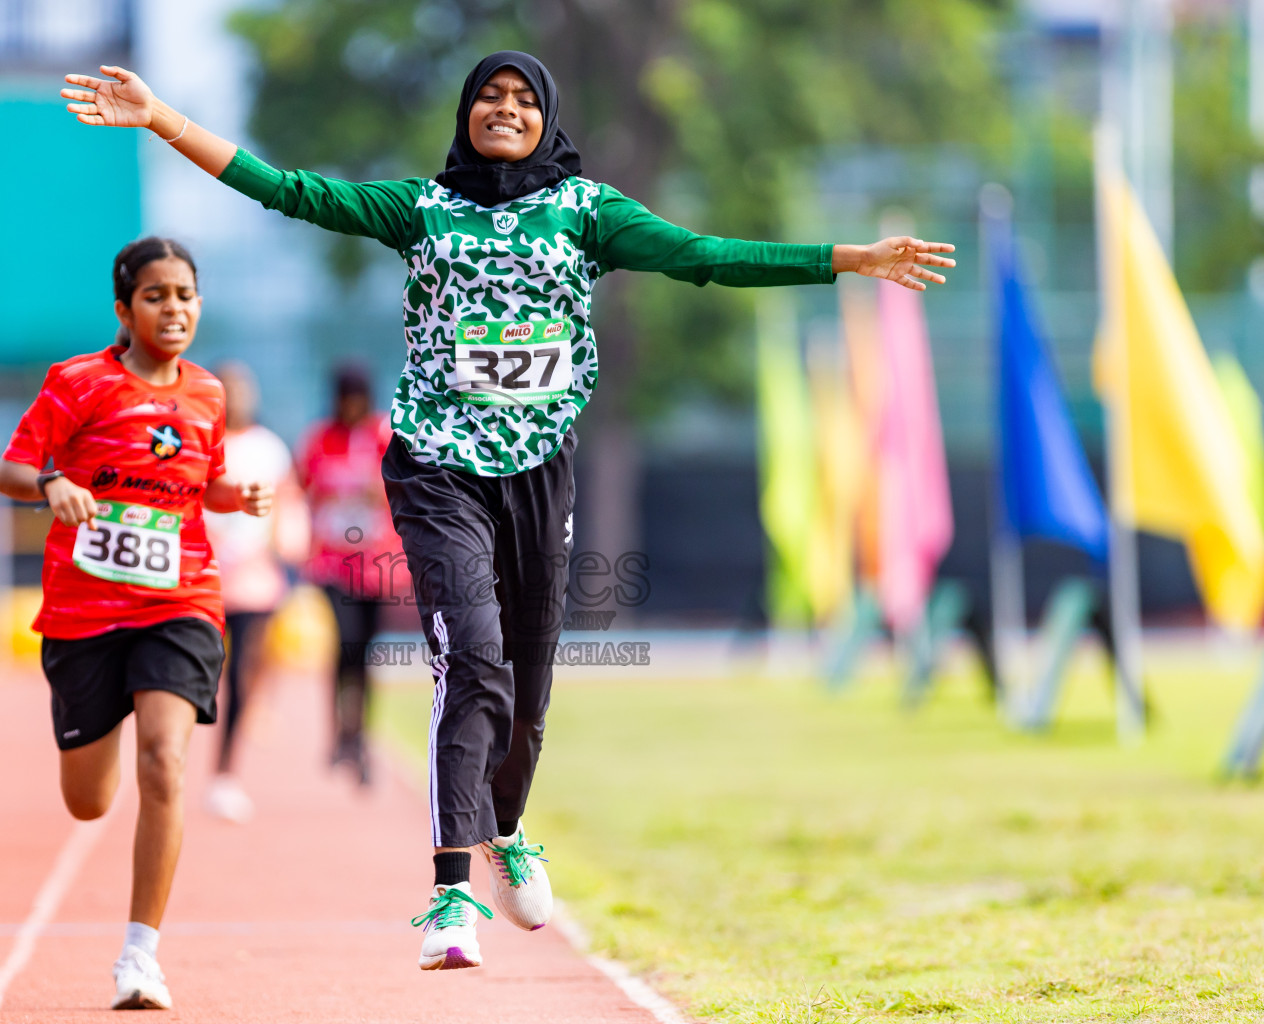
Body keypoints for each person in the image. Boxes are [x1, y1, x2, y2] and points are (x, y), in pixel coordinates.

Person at [60, 51, 955, 972]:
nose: (505, 108)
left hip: (538, 471)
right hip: (438, 467)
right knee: (472, 657)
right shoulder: (421, 209)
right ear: (465, 113)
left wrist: (850, 260)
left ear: (548, 120)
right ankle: (451, 894)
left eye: (524, 99)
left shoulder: (585, 212)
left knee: (526, 693)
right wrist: (162, 117)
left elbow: (704, 257)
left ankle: (510, 827)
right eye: (489, 95)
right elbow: (289, 190)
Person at [0, 237, 273, 1009]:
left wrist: (234, 499)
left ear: (199, 305)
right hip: (83, 611)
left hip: (178, 603)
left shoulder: (209, 395)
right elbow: (9, 469)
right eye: (156, 296)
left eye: (184, 294)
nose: (173, 309)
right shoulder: (78, 383)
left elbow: (205, 485)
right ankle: (97, 744)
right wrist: (51, 484)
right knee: (88, 800)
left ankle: (140, 957)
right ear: (124, 309)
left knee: (164, 763)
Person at [203, 361, 309, 822]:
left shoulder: (270, 448)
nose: (238, 396)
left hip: (253, 578)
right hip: (201, 576)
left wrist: (283, 549)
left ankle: (225, 773)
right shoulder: (202, 443)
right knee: (199, 672)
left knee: (244, 674)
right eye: (230, 389)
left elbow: (286, 505)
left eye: (244, 388)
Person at [295, 364, 402, 785]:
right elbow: (301, 486)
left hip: (376, 564)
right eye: (345, 398)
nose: (351, 406)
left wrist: (377, 489)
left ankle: (360, 738)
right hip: (332, 564)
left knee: (364, 654)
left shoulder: (385, 435)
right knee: (344, 645)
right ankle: (339, 733)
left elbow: (405, 484)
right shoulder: (320, 438)